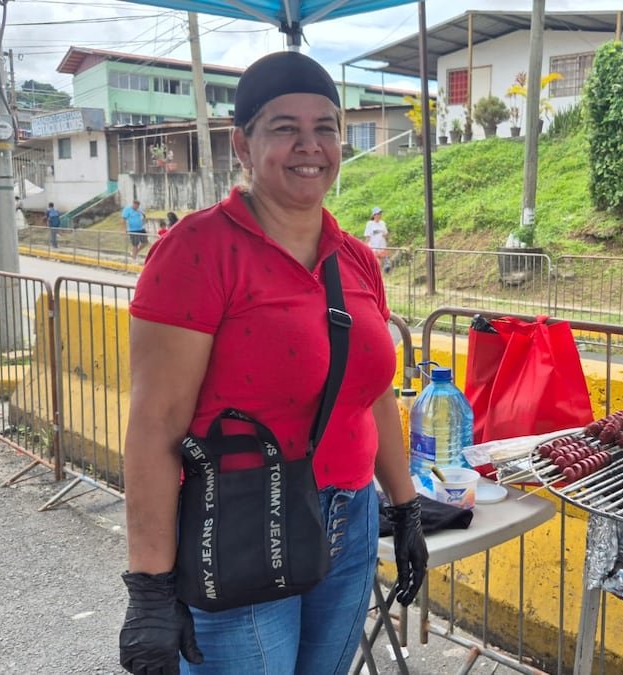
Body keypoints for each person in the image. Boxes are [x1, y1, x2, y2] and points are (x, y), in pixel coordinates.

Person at [118, 51, 426, 675]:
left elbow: (371, 394)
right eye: (284, 128)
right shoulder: (198, 252)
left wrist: (405, 504)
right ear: (242, 143)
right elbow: (154, 429)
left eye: (326, 127)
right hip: (239, 526)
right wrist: (149, 587)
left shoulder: (355, 259)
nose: (309, 145)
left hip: (350, 519)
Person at [363, 206, 390, 272]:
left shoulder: (383, 223)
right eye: (378, 214)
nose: (379, 215)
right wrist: (365, 249)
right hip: (373, 248)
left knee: (381, 266)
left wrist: (385, 235)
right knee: (377, 264)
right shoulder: (370, 224)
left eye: (380, 214)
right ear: (374, 215)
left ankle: (378, 279)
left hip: (382, 247)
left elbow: (386, 235)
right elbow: (367, 237)